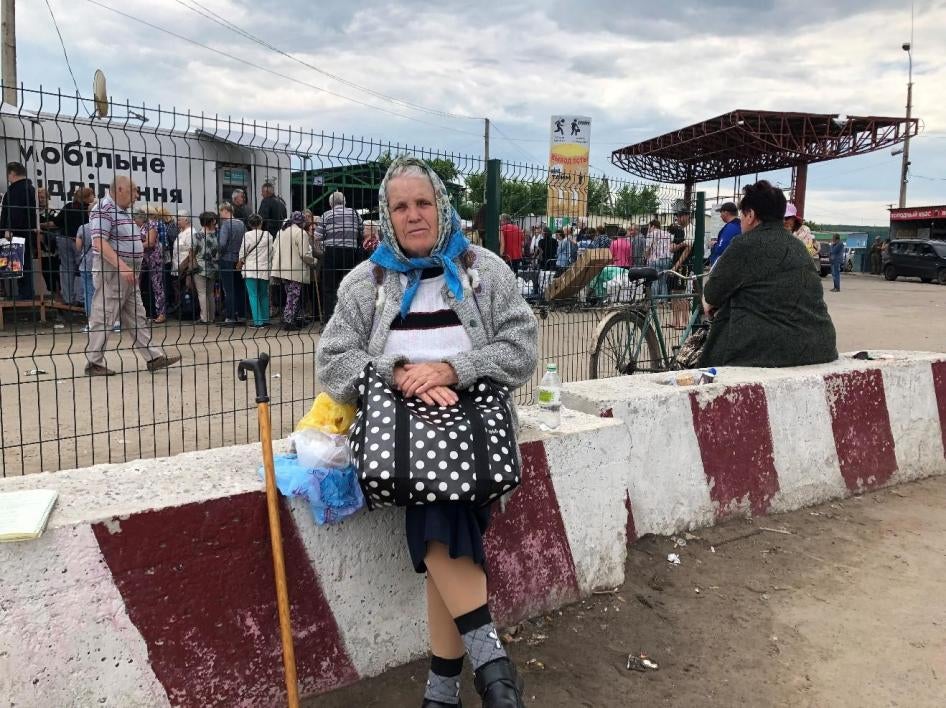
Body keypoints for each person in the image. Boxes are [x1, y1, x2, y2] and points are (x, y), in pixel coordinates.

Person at [317, 156, 537, 708]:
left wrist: (452, 371)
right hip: (401, 434)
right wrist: (396, 376)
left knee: (438, 511)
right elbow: (333, 364)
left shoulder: (483, 270)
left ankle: (443, 692)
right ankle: (492, 671)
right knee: (440, 504)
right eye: (401, 206)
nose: (414, 215)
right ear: (387, 216)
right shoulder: (366, 282)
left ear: (441, 205)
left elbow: (521, 348)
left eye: (423, 203)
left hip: (477, 427)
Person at [700, 180, 837, 368]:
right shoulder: (797, 245)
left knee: (716, 340)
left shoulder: (744, 244)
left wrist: (708, 302)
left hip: (771, 353)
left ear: (750, 215)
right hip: (820, 347)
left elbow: (713, 294)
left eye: (742, 213)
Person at [84, 176, 180, 376]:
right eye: (134, 191)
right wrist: (122, 267)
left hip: (128, 272)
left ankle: (153, 357)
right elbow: (99, 243)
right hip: (114, 270)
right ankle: (93, 362)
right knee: (105, 314)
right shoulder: (103, 209)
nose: (137, 196)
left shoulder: (121, 211)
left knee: (137, 315)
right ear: (120, 189)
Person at [0, 162, 39, 300]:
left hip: (16, 232)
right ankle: (26, 292)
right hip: (26, 230)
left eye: (8, 174)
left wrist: (8, 228)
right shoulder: (29, 188)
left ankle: (25, 294)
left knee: (17, 263)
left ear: (12, 173)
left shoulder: (16, 189)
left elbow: (14, 210)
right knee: (23, 262)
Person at [55, 186, 95, 306]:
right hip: (80, 241)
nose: (94, 197)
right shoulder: (89, 210)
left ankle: (68, 298)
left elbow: (56, 222)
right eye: (92, 194)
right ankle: (81, 298)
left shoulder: (68, 207)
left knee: (66, 269)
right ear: (86, 197)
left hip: (63, 239)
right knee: (82, 269)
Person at [271, 211, 310, 330]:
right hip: (295, 269)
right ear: (301, 222)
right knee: (293, 296)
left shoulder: (281, 231)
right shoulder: (301, 233)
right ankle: (289, 321)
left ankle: (293, 319)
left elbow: (274, 248)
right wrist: (313, 261)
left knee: (290, 294)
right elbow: (304, 254)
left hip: (283, 268)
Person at [239, 213, 272, 328]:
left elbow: (242, 252)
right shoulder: (268, 235)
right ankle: (265, 319)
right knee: (264, 294)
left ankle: (258, 322)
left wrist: (240, 261)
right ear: (261, 223)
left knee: (253, 295)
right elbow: (271, 252)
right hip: (264, 268)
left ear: (249, 224)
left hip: (251, 268)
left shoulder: (247, 235)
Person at [217, 201, 247, 326]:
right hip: (239, 260)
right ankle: (241, 315)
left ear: (225, 210)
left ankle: (230, 317)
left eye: (221, 212)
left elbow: (222, 244)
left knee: (229, 289)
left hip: (227, 259)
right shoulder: (241, 224)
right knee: (240, 288)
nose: (220, 215)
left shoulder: (225, 225)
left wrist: (218, 253)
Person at [187, 211, 220, 324]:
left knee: (202, 293)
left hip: (200, 267)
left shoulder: (197, 236)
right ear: (212, 221)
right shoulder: (217, 235)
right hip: (214, 266)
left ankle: (204, 318)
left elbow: (192, 252)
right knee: (210, 293)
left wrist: (192, 264)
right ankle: (212, 317)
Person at [140, 204, 168, 323]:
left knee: (157, 286)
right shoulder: (143, 225)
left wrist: (135, 246)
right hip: (143, 259)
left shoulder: (152, 224)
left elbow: (151, 243)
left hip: (153, 258)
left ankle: (161, 313)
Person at [38, 187, 61, 299]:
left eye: (42, 197)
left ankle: (58, 296)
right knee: (46, 273)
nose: (41, 200)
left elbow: (57, 223)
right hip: (41, 250)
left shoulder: (52, 211)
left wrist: (41, 226)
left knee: (55, 273)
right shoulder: (34, 212)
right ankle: (53, 295)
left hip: (53, 249)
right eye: (39, 198)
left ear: (47, 198)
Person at [644, 219, 673, 296]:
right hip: (667, 259)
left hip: (655, 259)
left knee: (655, 281)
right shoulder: (667, 234)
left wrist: (646, 258)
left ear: (653, 226)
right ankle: (663, 301)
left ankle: (655, 301)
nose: (648, 228)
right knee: (663, 281)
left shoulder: (651, 233)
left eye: (649, 226)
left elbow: (647, 248)